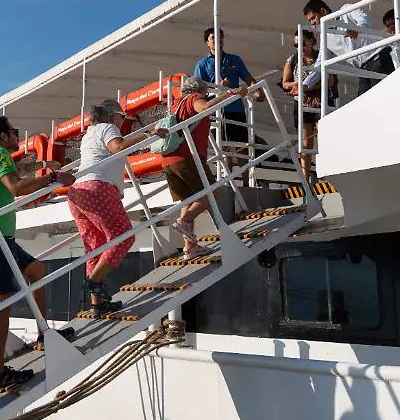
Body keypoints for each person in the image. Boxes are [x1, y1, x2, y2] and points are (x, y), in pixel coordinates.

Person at [0, 114, 76, 389]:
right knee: (2, 301)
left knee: (37, 270)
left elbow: (18, 169)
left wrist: (42, 165)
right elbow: (15, 186)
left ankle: (43, 334)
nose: (17, 136)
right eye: (14, 132)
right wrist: (53, 177)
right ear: (5, 137)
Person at [69, 100, 166, 313]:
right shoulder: (108, 127)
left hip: (77, 193)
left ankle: (98, 305)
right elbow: (118, 147)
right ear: (113, 115)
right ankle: (94, 282)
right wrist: (150, 134)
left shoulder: (89, 134)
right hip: (98, 189)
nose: (123, 120)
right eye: (122, 116)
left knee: (96, 247)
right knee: (124, 236)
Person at [161, 76, 249, 258]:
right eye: (204, 93)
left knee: (188, 200)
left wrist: (219, 92)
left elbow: (203, 104)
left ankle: (190, 247)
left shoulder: (176, 103)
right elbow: (205, 107)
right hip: (187, 157)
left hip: (169, 160)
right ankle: (184, 221)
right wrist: (232, 92)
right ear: (198, 91)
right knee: (212, 192)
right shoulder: (193, 99)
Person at [193, 28, 263, 182]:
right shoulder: (202, 64)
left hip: (236, 107)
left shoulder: (235, 59)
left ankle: (246, 182)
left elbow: (248, 78)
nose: (217, 40)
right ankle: (228, 181)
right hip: (218, 109)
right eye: (213, 38)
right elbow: (197, 91)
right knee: (225, 147)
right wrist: (217, 86)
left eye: (220, 37)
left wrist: (258, 91)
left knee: (243, 146)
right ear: (207, 42)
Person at [302, 0, 390, 98]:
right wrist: (305, 84)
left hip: (380, 56)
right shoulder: (325, 37)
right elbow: (321, 63)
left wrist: (357, 28)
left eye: (313, 18)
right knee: (364, 103)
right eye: (310, 21)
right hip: (363, 69)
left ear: (323, 11)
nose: (312, 23)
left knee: (378, 98)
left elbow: (365, 18)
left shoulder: (346, 10)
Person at [282, 30, 338, 179]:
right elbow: (285, 83)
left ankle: (328, 173)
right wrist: (297, 84)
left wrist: (306, 87)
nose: (300, 47)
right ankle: (305, 178)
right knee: (306, 143)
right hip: (302, 103)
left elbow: (330, 81)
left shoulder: (322, 56)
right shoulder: (292, 59)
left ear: (312, 41)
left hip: (321, 100)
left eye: (303, 43)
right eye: (296, 44)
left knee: (325, 138)